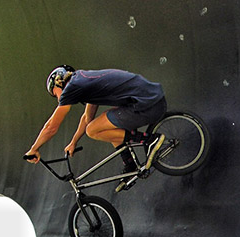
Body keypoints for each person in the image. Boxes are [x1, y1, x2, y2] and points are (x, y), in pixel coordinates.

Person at [24, 66, 167, 171]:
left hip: (147, 106)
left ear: (59, 83)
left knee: (92, 130)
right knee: (102, 126)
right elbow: (87, 117)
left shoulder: (72, 88)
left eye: (55, 94)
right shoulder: (83, 81)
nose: (57, 98)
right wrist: (73, 142)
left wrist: (34, 149)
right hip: (153, 101)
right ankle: (130, 164)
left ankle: (149, 140)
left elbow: (51, 127)